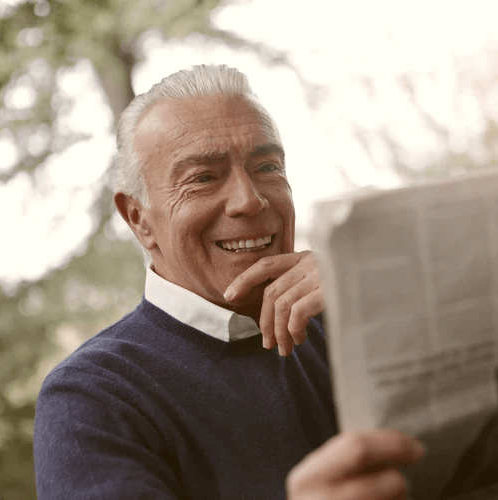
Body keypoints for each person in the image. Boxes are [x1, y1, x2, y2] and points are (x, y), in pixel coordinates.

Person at [33, 64, 425, 499]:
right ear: (139, 219)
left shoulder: (352, 318)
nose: (250, 199)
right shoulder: (91, 397)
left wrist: (373, 292)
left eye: (267, 167)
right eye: (203, 177)